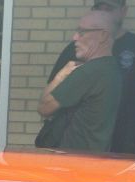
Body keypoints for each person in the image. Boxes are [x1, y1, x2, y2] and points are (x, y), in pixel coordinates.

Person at [47, 0, 135, 155]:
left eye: (109, 8)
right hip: (77, 150)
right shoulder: (76, 47)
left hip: (123, 145)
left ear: (123, 11)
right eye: (98, 7)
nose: (103, 12)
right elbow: (53, 93)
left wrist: (127, 119)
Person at [36, 8, 123, 152]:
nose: (75, 37)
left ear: (102, 35)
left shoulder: (90, 72)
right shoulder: (111, 68)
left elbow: (44, 107)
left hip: (73, 162)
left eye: (82, 32)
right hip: (94, 157)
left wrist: (60, 76)